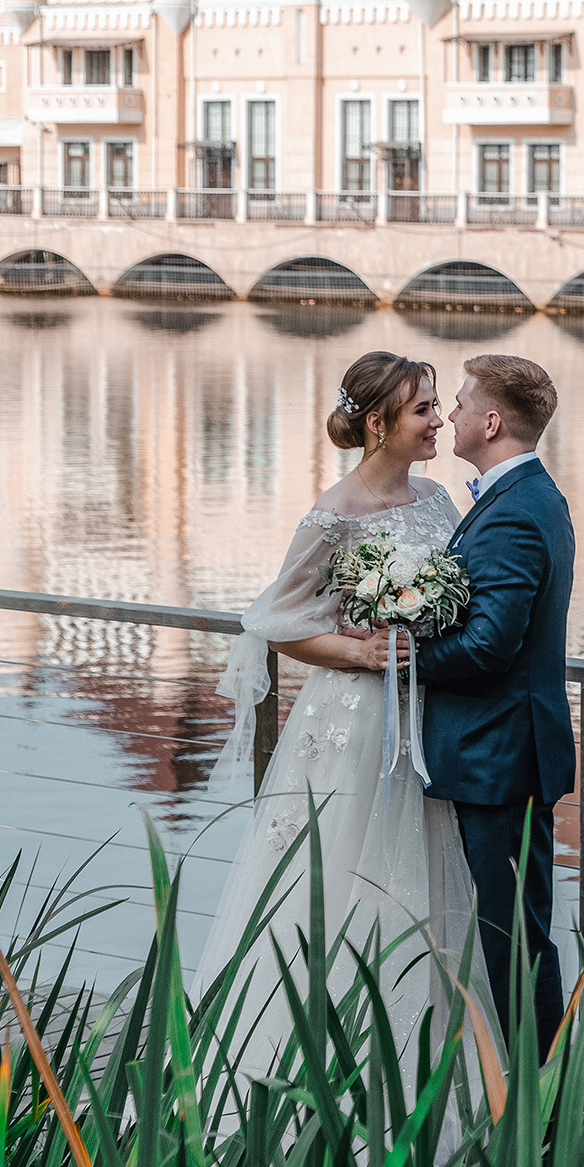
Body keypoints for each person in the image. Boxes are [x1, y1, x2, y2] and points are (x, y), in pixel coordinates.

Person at [194, 352, 475, 1076]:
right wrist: (360, 656)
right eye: (423, 410)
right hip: (356, 724)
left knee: (428, 879)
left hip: (427, 717)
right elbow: (272, 620)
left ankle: (425, 1062)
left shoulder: (441, 499)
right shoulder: (334, 514)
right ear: (378, 423)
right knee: (338, 875)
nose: (439, 419)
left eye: (439, 405)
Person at [363, 354, 575, 1051]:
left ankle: (540, 1119)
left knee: (513, 940)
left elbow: (488, 647)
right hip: (501, 753)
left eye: (457, 404)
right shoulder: (521, 497)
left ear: (491, 421)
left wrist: (399, 663)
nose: (448, 415)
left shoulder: (515, 513)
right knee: (512, 932)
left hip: (499, 758)